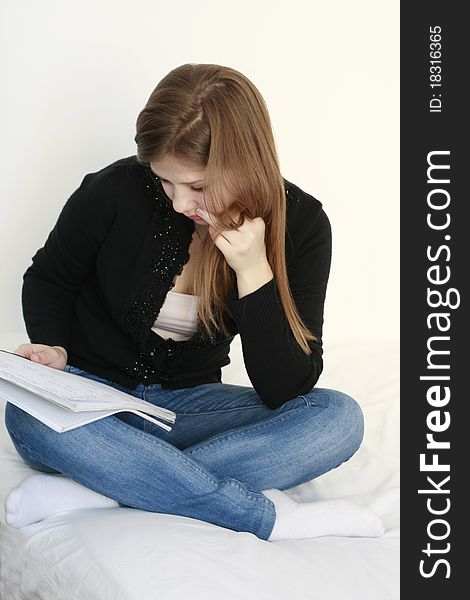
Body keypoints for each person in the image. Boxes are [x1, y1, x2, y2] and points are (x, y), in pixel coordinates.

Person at [3, 63, 384, 541]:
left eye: (198, 186)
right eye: (166, 182)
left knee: (337, 420)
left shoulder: (303, 226)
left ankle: (107, 489)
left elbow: (286, 388)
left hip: (185, 412)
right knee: (26, 412)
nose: (181, 202)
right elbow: (49, 278)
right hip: (91, 400)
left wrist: (253, 273)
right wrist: (53, 348)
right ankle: (262, 519)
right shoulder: (115, 189)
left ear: (245, 163)